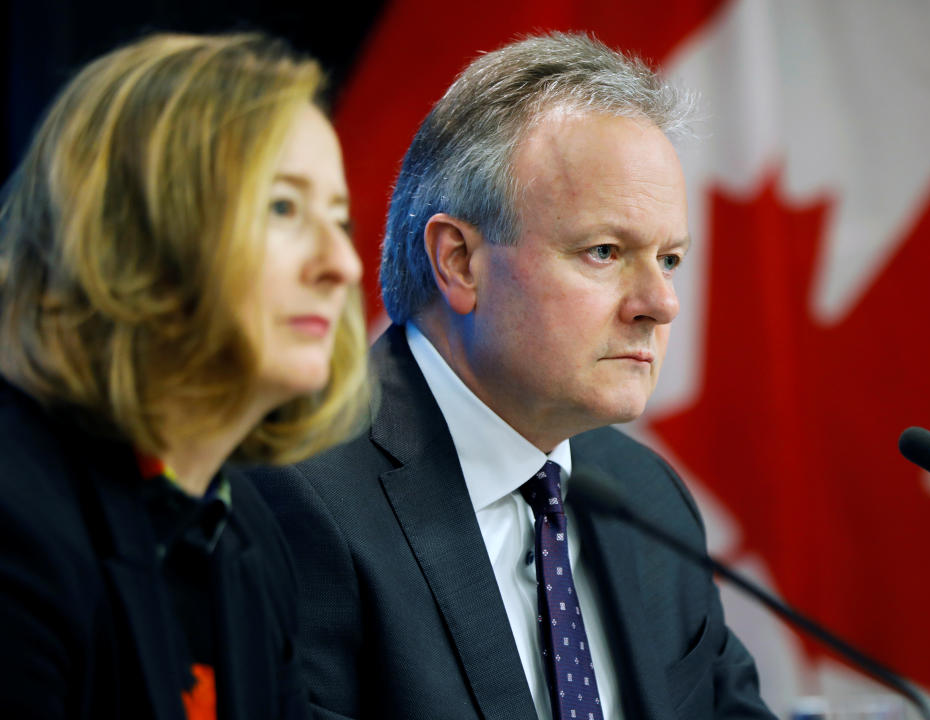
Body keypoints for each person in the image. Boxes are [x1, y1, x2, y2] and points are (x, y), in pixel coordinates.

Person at [252, 33, 776, 720]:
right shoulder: (298, 491)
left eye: (670, 259)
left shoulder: (647, 501)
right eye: (605, 251)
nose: (661, 303)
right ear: (460, 262)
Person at [0, 32, 368, 720]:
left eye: (340, 220)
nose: (342, 266)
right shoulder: (18, 520)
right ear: (140, 229)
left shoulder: (241, 531)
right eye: (283, 208)